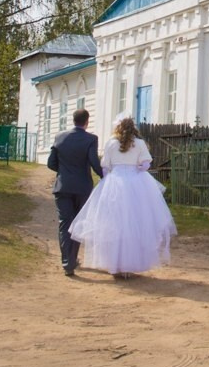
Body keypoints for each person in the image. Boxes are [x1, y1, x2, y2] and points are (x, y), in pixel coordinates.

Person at [69, 116, 177, 278]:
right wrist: (140, 167)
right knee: (136, 223)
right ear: (133, 128)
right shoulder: (139, 143)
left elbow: (105, 166)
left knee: (113, 224)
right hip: (136, 183)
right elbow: (146, 163)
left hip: (115, 182)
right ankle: (130, 264)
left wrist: (106, 180)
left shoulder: (111, 143)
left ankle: (115, 264)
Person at [47, 107, 103, 277]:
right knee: (78, 223)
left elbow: (51, 163)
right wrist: (104, 176)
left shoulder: (59, 137)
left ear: (73, 120)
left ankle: (67, 262)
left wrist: (63, 172)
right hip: (82, 187)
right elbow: (94, 161)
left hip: (62, 186)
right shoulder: (91, 139)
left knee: (64, 223)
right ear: (87, 122)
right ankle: (72, 260)